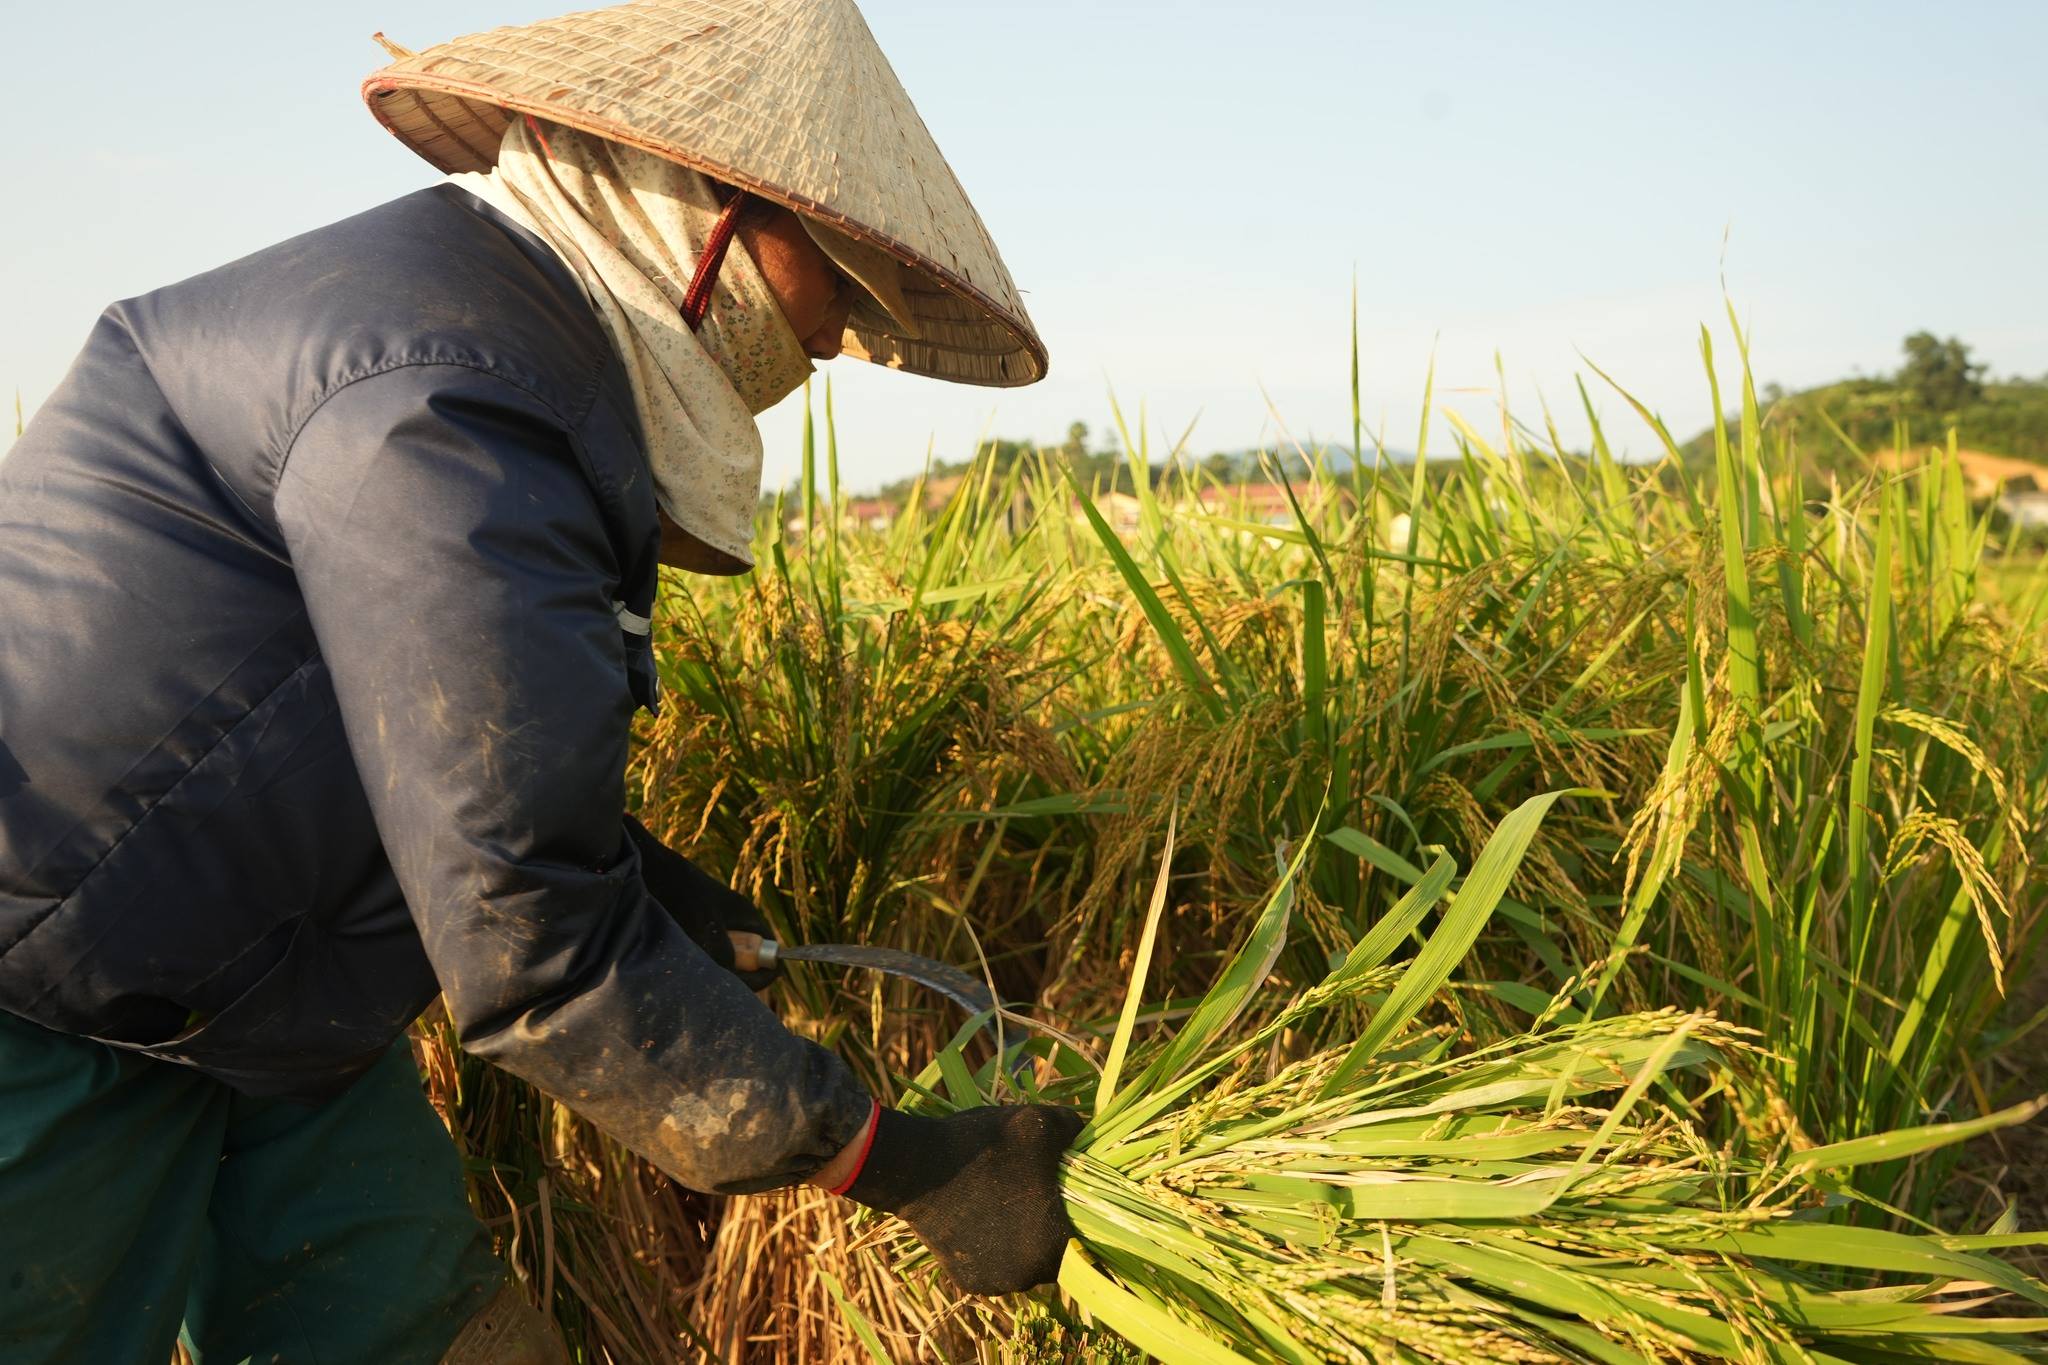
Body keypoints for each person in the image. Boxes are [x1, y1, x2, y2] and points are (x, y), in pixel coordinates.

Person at [0, 2, 1079, 1360]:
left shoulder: (496, 345)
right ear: (718, 210)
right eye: (841, 274)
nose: (835, 334)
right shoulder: (446, 398)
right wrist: (900, 1160)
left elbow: (419, 738)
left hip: (263, 1009)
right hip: (49, 1019)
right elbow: (529, 941)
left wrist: (633, 873)